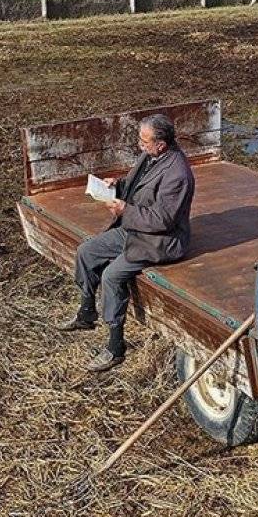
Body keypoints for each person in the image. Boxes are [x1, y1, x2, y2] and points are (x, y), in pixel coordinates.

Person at [57, 114, 195, 372]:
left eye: (144, 141)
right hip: (133, 228)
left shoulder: (178, 175)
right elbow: (137, 185)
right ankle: (87, 313)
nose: (139, 145)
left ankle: (115, 347)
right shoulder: (151, 155)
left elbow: (163, 220)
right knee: (86, 251)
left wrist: (124, 211)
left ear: (161, 144)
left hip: (158, 240)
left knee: (111, 276)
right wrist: (116, 186)